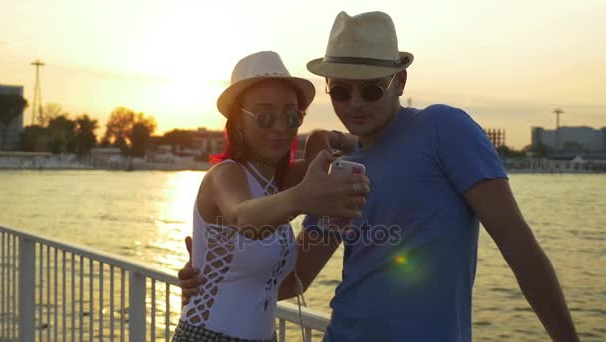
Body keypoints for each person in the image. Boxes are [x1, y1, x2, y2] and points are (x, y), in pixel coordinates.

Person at [179, 12, 580, 341]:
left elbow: (516, 242)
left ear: (399, 82)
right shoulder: (338, 175)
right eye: (340, 92)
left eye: (370, 90)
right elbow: (292, 281)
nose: (354, 104)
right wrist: (212, 269)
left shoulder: (444, 130)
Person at [172, 50, 370, 342]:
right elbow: (244, 217)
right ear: (238, 121)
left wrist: (325, 139)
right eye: (264, 116)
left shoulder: (277, 182)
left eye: (292, 116)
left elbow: (288, 285)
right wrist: (304, 197)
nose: (280, 127)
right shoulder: (225, 175)